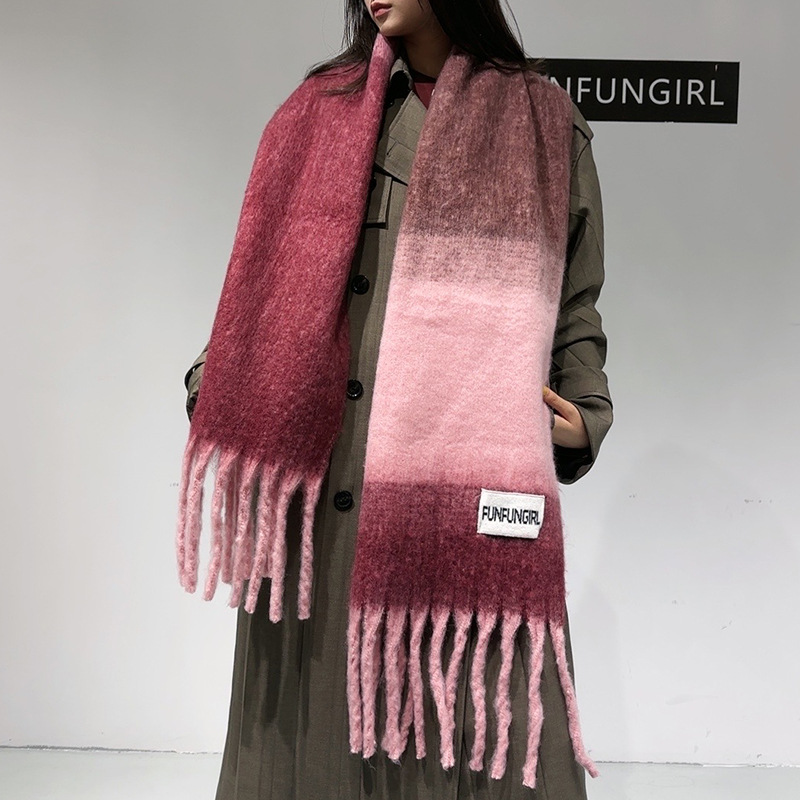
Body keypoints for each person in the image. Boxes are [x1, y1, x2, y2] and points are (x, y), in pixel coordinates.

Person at [181, 1, 612, 798]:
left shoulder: (543, 122)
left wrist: (585, 412)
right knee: (317, 730)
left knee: (479, 696)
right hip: (324, 474)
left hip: (463, 472)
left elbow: (576, 303)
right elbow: (262, 278)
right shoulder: (320, 110)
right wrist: (223, 374)